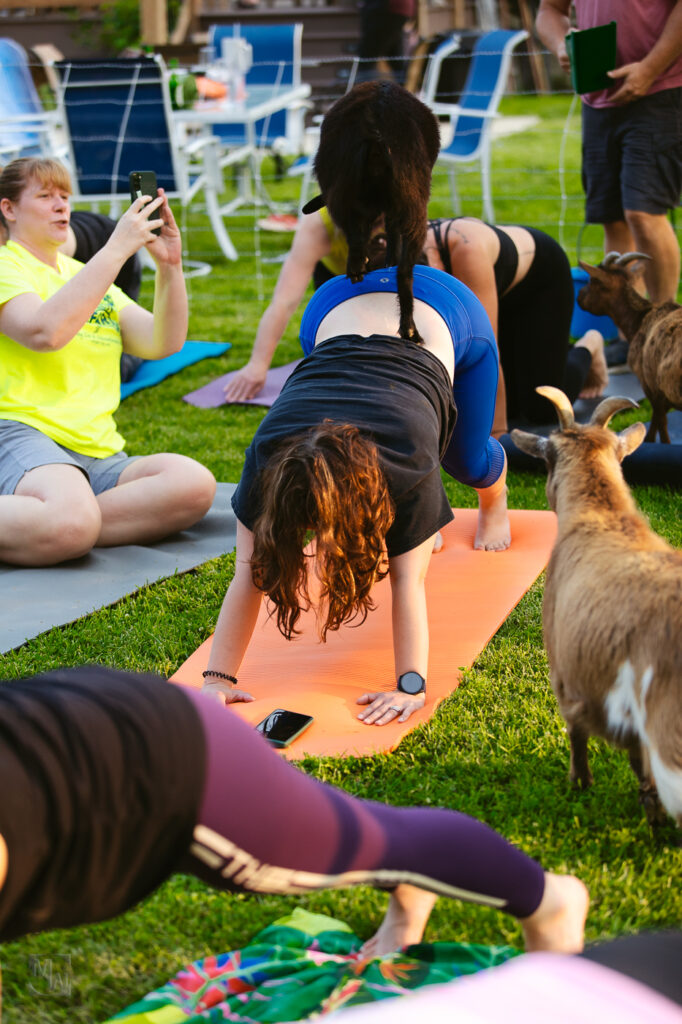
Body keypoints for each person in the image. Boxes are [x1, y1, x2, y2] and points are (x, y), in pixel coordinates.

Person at [0, 663, 589, 960]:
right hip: (92, 716)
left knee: (383, 842)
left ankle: (552, 900)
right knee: (364, 835)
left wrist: (410, 678)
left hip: (161, 764)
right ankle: (410, 885)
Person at [205, 263, 510, 727]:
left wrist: (411, 684)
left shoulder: (403, 466)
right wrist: (217, 680)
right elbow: (249, 574)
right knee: (416, 534)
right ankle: (424, 529)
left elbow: (408, 583)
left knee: (467, 463)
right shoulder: (268, 458)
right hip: (335, 307)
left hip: (446, 309)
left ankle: (494, 500)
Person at [0, 157, 216, 567]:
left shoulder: (82, 272)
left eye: (65, 196)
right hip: (21, 433)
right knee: (69, 520)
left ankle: (63, 526)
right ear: (8, 209)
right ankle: (65, 522)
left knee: (193, 484)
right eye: (45, 196)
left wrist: (169, 265)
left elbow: (163, 342)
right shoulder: (5, 265)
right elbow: (42, 333)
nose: (62, 206)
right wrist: (116, 248)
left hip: (95, 451)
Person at [222, 209, 608, 435]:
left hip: (536, 279)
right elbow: (284, 300)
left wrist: (494, 436)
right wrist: (258, 365)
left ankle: (589, 344)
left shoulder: (464, 251)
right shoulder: (340, 235)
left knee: (541, 409)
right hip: (480, 281)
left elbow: (484, 352)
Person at [536, 0, 682, 306]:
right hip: (598, 100)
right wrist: (563, 45)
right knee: (613, 219)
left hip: (661, 91)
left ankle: (665, 325)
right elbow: (549, 10)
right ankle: (629, 330)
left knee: (642, 212)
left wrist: (650, 69)